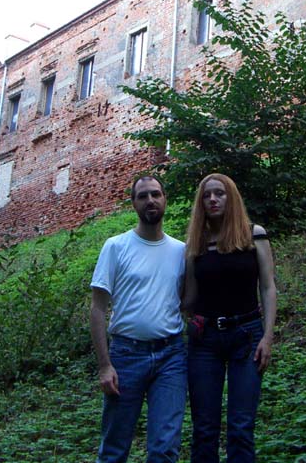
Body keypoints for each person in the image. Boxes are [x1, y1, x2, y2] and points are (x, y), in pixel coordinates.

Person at [90, 175, 187, 463]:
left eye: (156, 194)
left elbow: (187, 302)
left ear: (165, 198)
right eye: (142, 196)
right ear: (133, 203)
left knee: (165, 448)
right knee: (114, 447)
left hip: (172, 357)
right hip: (126, 355)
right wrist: (105, 365)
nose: (150, 201)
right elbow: (97, 308)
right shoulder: (116, 247)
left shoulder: (181, 251)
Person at [183, 173, 278, 463]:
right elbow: (189, 298)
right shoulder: (196, 245)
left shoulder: (253, 234)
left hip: (246, 336)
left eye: (219, 193)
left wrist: (267, 336)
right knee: (204, 429)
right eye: (207, 195)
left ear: (231, 197)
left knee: (240, 426)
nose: (212, 199)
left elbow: (268, 286)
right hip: (204, 341)